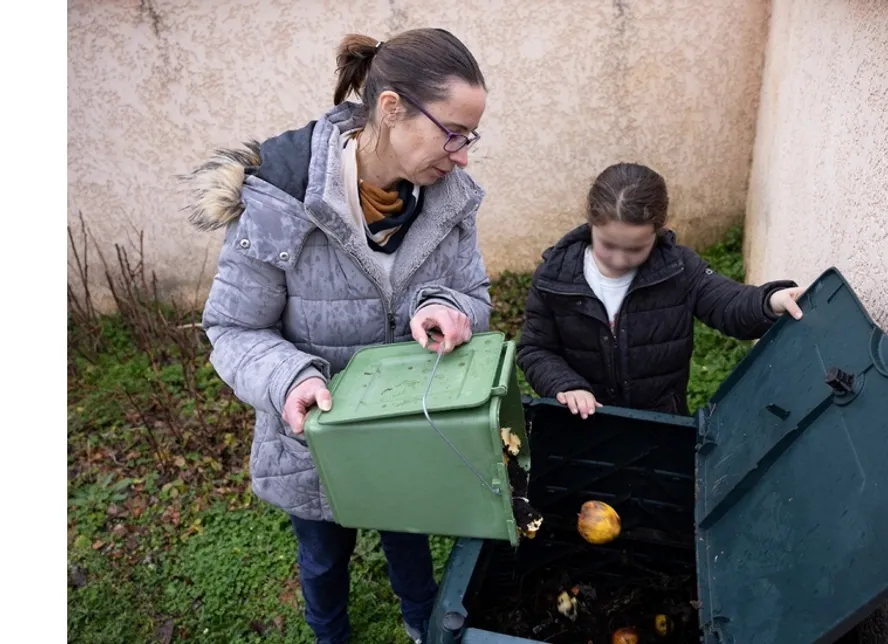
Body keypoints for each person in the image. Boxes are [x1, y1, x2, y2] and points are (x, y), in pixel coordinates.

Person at [182, 28, 491, 644]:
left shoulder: (449, 199)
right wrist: (290, 378)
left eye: (470, 137)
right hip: (313, 445)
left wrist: (446, 306)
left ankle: (421, 621)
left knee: (410, 536)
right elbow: (234, 327)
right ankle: (330, 634)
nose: (462, 155)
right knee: (323, 556)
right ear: (392, 108)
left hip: (407, 429)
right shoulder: (279, 200)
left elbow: (475, 294)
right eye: (452, 132)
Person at [516, 162, 805, 418]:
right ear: (591, 224)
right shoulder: (554, 276)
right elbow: (535, 349)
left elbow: (729, 303)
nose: (619, 259)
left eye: (635, 248)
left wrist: (769, 301)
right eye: (608, 245)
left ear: (658, 231)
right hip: (583, 425)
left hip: (660, 424)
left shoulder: (679, 269)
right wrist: (566, 385)